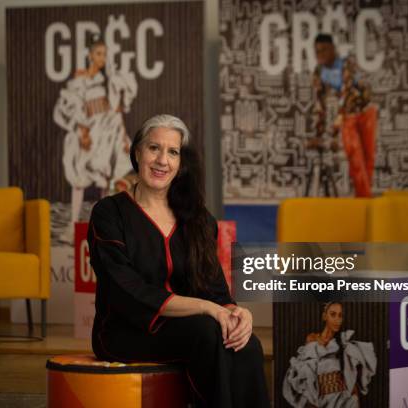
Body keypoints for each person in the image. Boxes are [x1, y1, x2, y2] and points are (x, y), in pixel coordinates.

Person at [88, 114, 270, 407]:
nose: (162, 160)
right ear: (137, 153)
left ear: (181, 163)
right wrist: (205, 308)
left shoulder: (198, 219)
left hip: (188, 327)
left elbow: (214, 289)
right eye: (153, 148)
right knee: (207, 332)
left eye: (173, 152)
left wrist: (237, 313)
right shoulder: (109, 213)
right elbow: (124, 289)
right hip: (126, 330)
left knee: (244, 342)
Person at [54, 34, 137, 243]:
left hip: (107, 132)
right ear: (90, 55)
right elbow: (71, 107)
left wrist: (124, 138)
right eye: (99, 54)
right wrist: (81, 131)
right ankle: (73, 227)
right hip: (88, 132)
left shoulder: (108, 80)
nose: (102, 58)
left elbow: (116, 110)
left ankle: (103, 229)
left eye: (105, 54)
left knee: (106, 179)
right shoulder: (79, 79)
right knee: (79, 179)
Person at [311, 33, 378, 197]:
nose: (320, 55)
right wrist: (319, 134)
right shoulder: (319, 72)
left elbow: (347, 95)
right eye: (317, 51)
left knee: (368, 159)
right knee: (355, 158)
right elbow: (320, 104)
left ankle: (364, 200)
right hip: (349, 117)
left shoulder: (346, 63)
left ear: (333, 49)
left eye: (324, 50)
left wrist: (333, 130)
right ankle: (364, 202)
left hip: (366, 111)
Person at [282, 302, 377, 407]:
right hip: (320, 400)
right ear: (324, 316)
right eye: (333, 314)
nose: (338, 319)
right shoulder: (312, 339)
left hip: (342, 400)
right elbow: (304, 372)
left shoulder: (343, 343)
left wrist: (355, 400)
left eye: (340, 315)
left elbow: (351, 378)